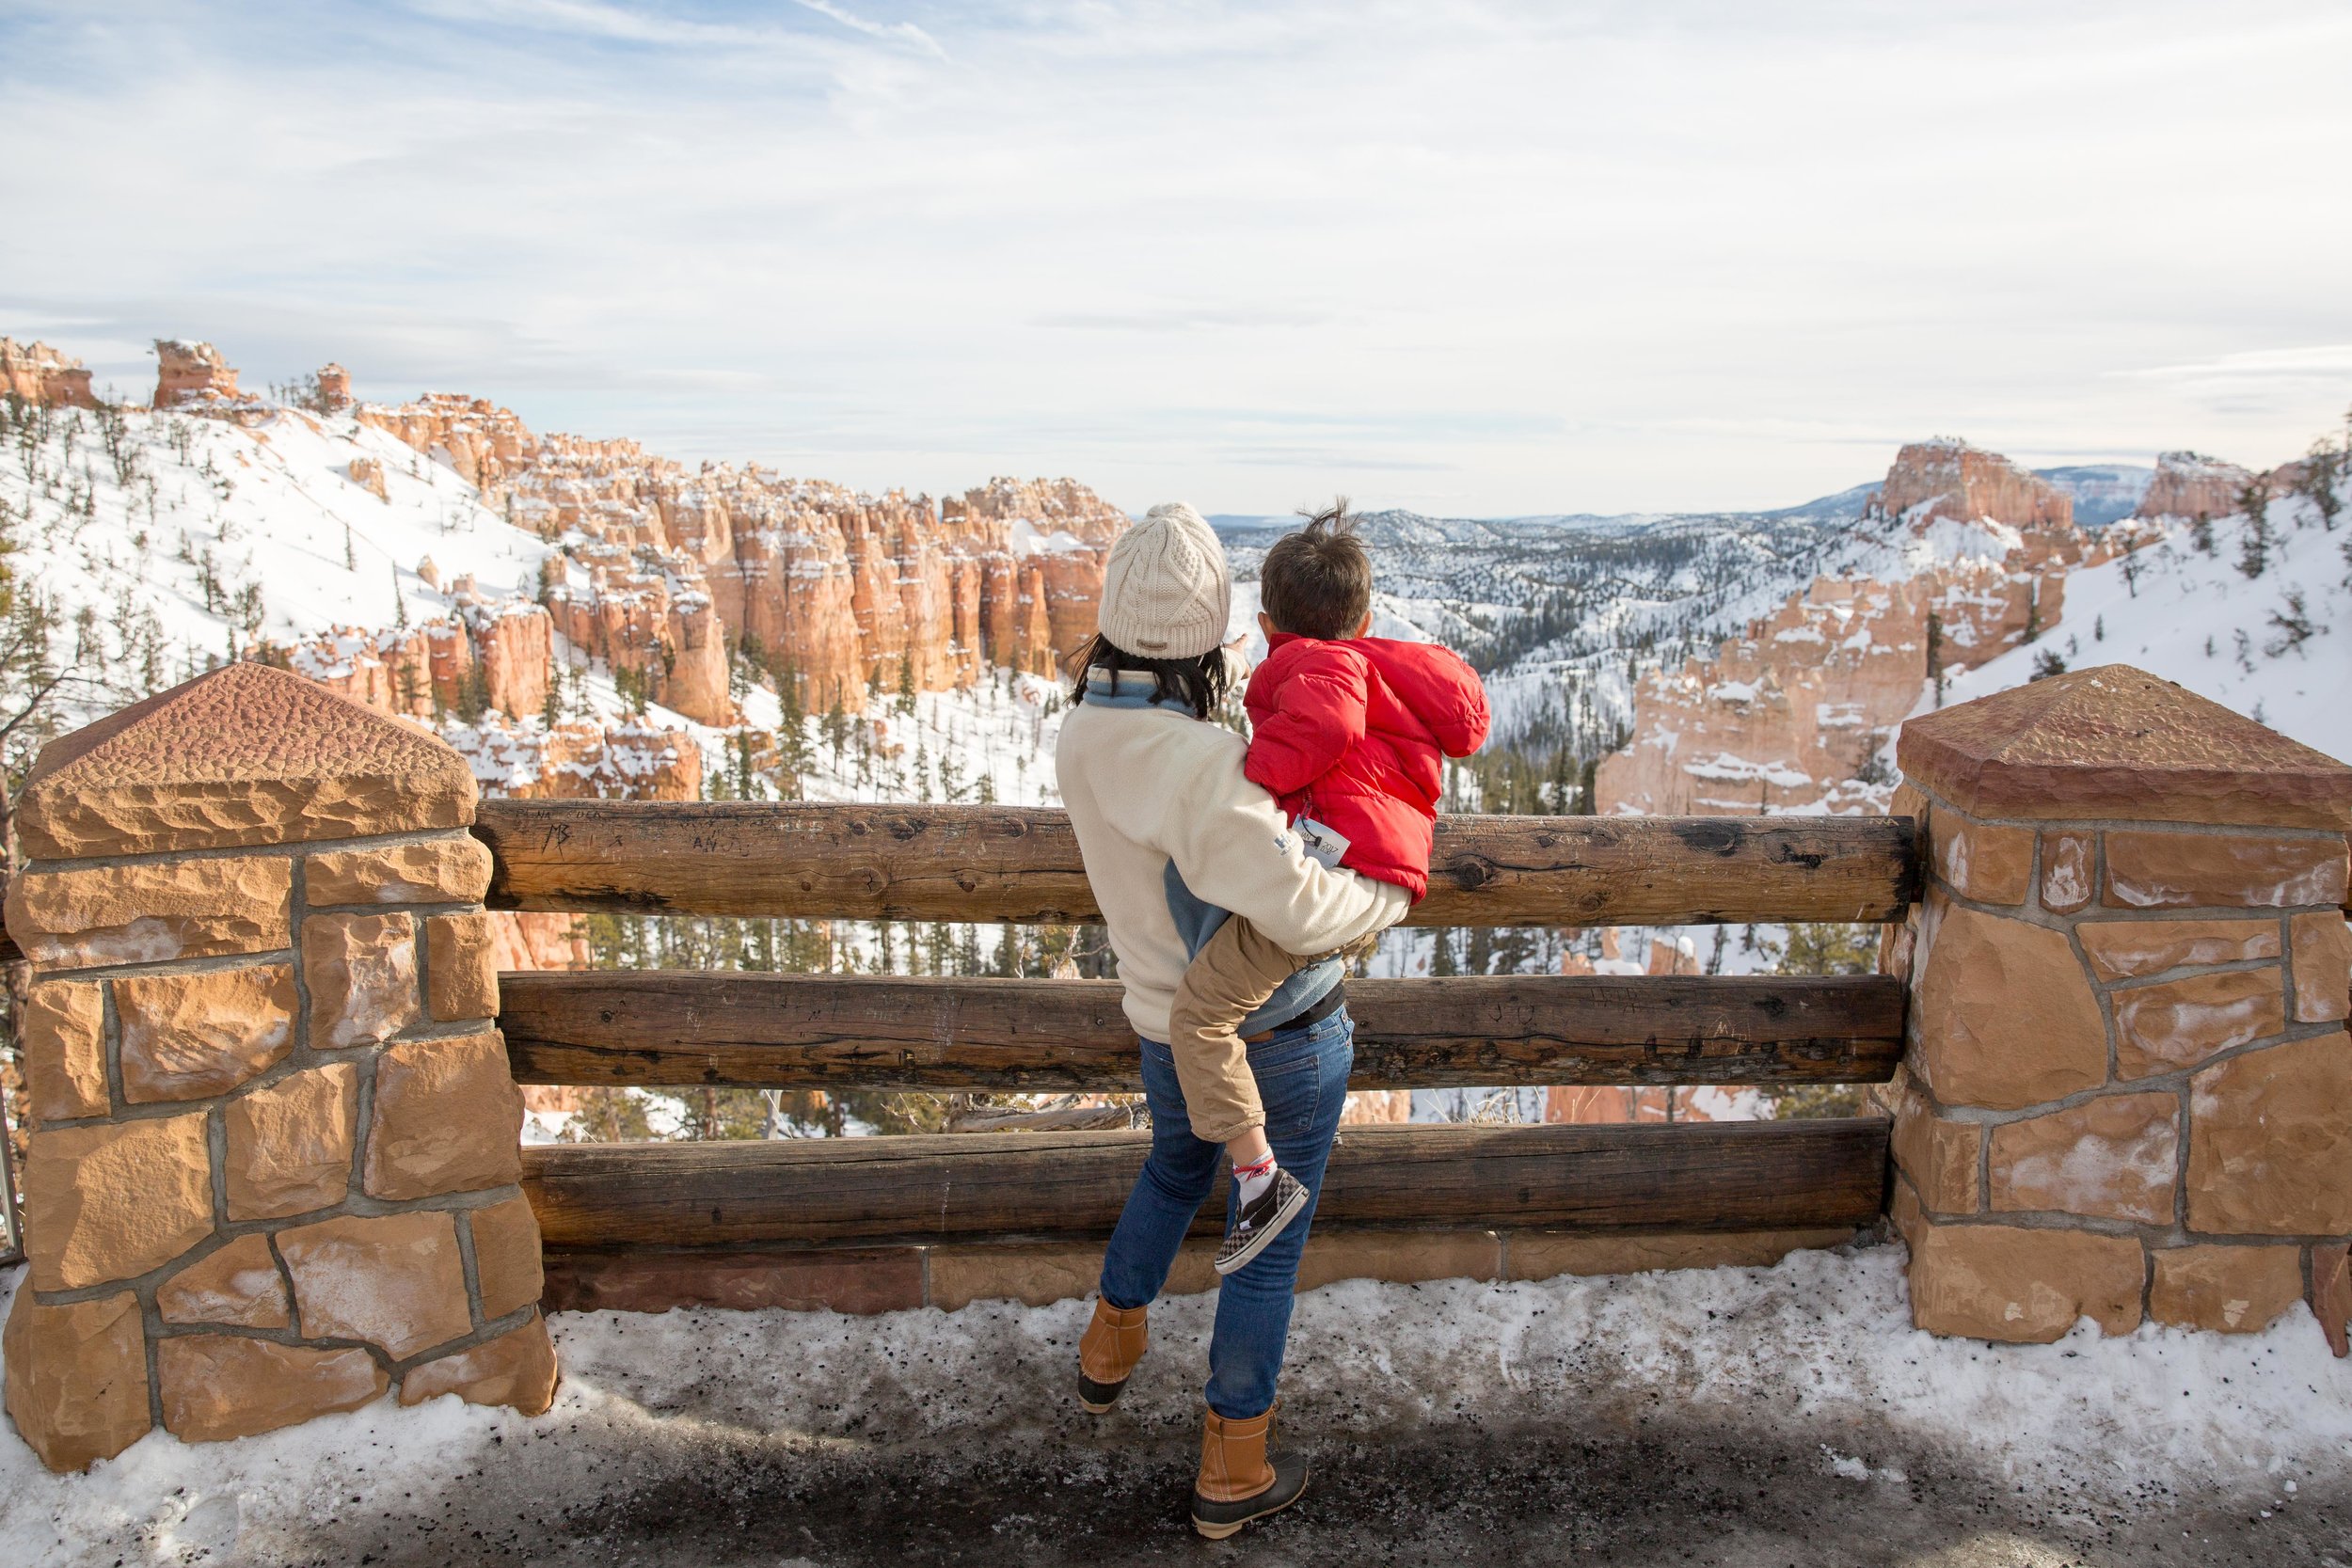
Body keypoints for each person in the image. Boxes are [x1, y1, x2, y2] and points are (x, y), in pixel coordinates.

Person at [1054, 501, 1406, 1540]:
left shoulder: (1083, 732)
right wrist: (1386, 898)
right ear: (1213, 633)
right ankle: (1232, 1463)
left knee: (1171, 1168)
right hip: (1278, 1034)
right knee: (1266, 1243)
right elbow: (1295, 904)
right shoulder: (1204, 762)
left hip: (1165, 1025)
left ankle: (1107, 1351)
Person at [1166, 502, 1488, 1276]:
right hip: (1383, 873)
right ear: (1366, 615)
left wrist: (1252, 770)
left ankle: (1257, 1179)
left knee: (1200, 1014)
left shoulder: (1318, 668)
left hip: (1339, 874)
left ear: (1272, 623)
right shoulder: (1381, 663)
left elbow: (1326, 728)